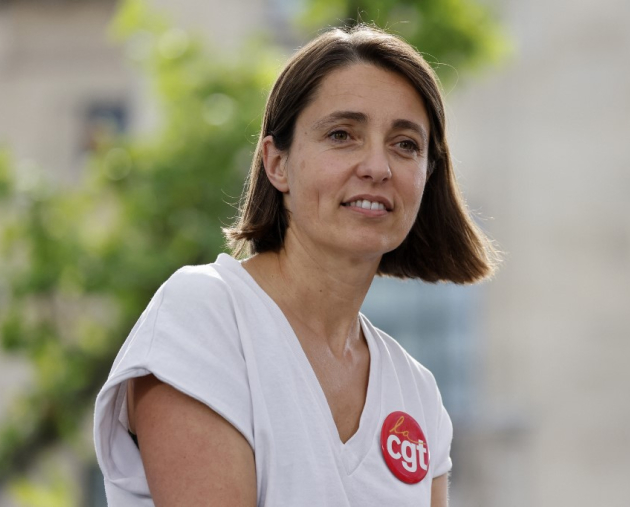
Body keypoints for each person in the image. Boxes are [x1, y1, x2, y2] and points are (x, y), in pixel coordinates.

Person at [94, 24, 497, 506]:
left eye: (406, 144)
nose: (377, 166)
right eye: (342, 134)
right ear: (276, 163)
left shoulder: (418, 394)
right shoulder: (206, 316)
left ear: (427, 176)